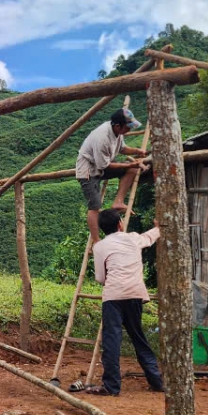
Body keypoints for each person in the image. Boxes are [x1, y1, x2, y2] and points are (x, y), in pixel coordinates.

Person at [83, 209, 163, 396]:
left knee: (112, 340)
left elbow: (100, 278)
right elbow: (149, 237)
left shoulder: (100, 246)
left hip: (113, 296)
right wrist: (158, 227)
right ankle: (156, 381)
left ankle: (111, 386)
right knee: (138, 337)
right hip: (135, 293)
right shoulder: (133, 238)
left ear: (102, 229)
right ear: (120, 224)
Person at [75, 107, 148, 239]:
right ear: (118, 125)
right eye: (127, 127)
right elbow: (104, 165)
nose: (129, 130)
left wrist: (137, 151)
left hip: (101, 166)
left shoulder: (118, 133)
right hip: (88, 170)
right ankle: (96, 241)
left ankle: (118, 202)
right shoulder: (102, 137)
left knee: (132, 169)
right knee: (95, 206)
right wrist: (131, 163)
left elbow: (122, 148)